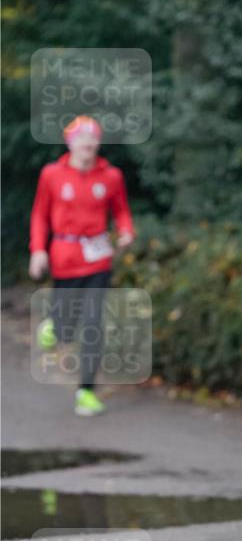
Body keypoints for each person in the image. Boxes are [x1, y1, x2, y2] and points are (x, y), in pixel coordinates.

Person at [29, 115, 135, 416]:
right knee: (65, 330)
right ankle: (54, 327)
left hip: (98, 258)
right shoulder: (51, 174)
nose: (88, 143)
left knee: (92, 324)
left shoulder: (111, 177)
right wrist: (38, 250)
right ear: (70, 143)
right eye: (81, 138)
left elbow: (122, 212)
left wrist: (127, 232)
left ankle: (86, 392)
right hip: (64, 256)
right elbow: (39, 215)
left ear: (98, 143)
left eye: (93, 138)